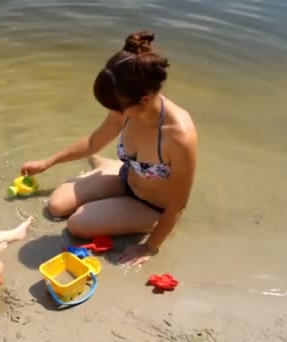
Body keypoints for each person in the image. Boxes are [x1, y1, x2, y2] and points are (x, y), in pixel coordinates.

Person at [20, 30, 197, 266]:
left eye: (116, 108)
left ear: (143, 100)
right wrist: (47, 162)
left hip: (152, 206)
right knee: (56, 206)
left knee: (77, 225)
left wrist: (149, 246)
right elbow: (94, 142)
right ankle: (108, 165)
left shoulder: (178, 136)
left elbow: (178, 203)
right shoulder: (125, 105)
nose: (113, 112)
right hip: (127, 176)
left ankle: (110, 172)